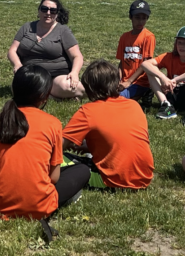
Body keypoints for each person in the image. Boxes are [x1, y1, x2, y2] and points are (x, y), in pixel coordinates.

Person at [0, 66, 90, 235]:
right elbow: (54, 178)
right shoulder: (52, 124)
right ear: (43, 96)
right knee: (82, 170)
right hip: (40, 207)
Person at [62, 60, 153, 190]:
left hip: (111, 180)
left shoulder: (88, 111)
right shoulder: (134, 105)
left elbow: (58, 147)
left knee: (55, 158)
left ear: (89, 89)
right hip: (144, 178)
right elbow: (121, 141)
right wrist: (89, 147)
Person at [7, 0, 85, 99]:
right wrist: (17, 65)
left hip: (57, 76)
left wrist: (74, 72)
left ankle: (47, 92)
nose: (48, 13)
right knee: (18, 90)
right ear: (39, 11)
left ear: (57, 14)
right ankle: (54, 95)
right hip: (32, 74)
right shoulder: (27, 27)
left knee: (73, 87)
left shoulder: (63, 30)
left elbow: (77, 56)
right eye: (44, 9)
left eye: (53, 10)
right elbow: (12, 50)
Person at [141, 26, 185, 123]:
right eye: (179, 42)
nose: (181, 46)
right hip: (171, 93)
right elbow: (145, 64)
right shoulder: (169, 57)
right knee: (151, 71)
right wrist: (163, 78)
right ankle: (166, 105)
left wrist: (175, 80)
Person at [116, 1, 155, 102]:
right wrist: (118, 80)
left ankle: (145, 91)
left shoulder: (148, 37)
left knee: (119, 99)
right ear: (130, 17)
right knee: (106, 94)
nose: (141, 21)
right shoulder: (124, 37)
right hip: (125, 81)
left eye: (144, 18)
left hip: (140, 81)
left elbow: (145, 64)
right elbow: (122, 62)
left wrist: (129, 82)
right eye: (137, 17)